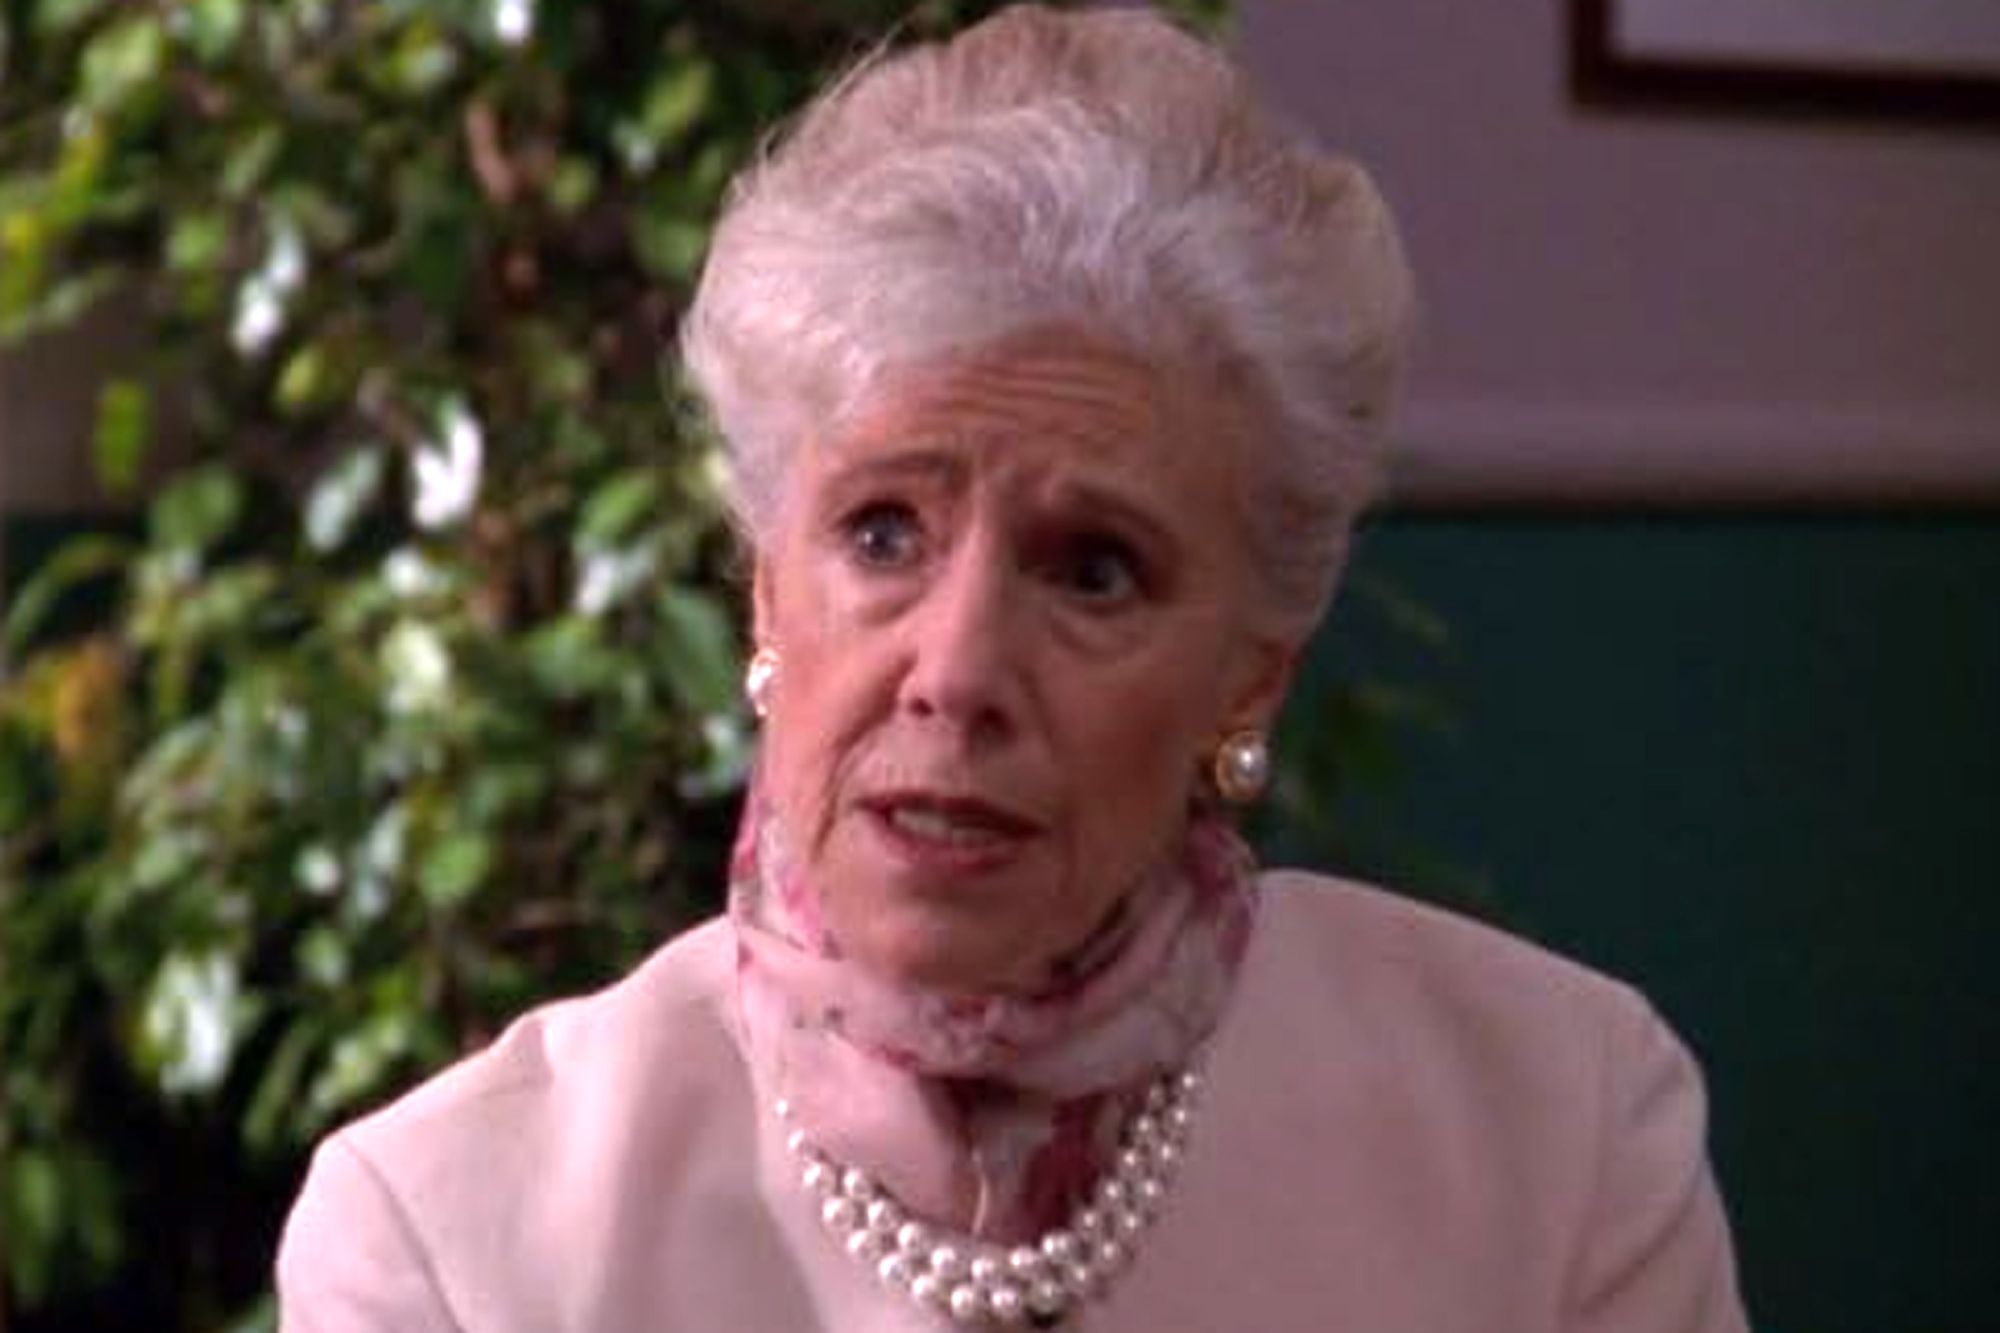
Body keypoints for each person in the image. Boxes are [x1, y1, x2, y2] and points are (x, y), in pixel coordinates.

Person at [275, 6, 1748, 1330]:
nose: (959, 669)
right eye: (882, 533)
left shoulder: (1557, 1133)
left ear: (1253, 674)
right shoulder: (450, 1240)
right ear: (766, 594)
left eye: (1094, 568)